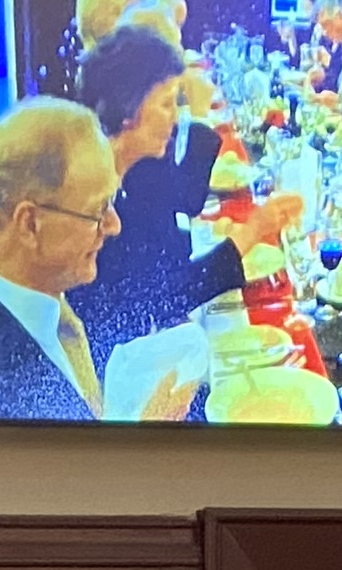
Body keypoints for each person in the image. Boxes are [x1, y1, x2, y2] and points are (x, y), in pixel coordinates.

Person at [0, 100, 172, 422]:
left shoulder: (55, 288)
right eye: (97, 210)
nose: (114, 225)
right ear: (29, 224)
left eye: (111, 201)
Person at [74, 26, 242, 367]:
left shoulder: (133, 166)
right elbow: (157, 301)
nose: (175, 116)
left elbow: (165, 253)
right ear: (128, 110)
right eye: (167, 104)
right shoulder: (91, 206)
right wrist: (248, 238)